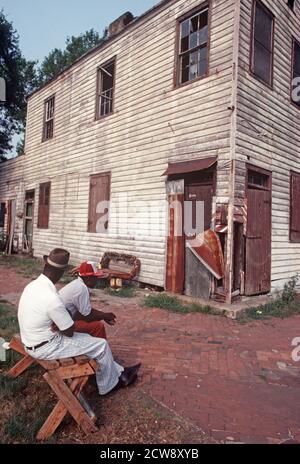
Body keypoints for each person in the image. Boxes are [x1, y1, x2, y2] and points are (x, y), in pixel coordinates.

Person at [18, 248, 141, 395]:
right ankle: (108, 387)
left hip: (31, 341)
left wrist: (62, 318)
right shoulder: (51, 297)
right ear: (61, 271)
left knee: (89, 339)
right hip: (45, 347)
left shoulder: (33, 285)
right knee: (100, 345)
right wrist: (64, 318)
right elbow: (69, 331)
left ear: (46, 265)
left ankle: (120, 372)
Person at [59, 261, 115, 340]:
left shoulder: (77, 284)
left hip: (63, 319)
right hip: (61, 324)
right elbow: (87, 315)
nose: (97, 280)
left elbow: (85, 311)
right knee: (98, 326)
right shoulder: (81, 288)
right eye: (95, 277)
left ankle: (93, 347)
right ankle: (101, 351)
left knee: (88, 319)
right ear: (88, 278)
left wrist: (103, 315)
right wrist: (104, 315)